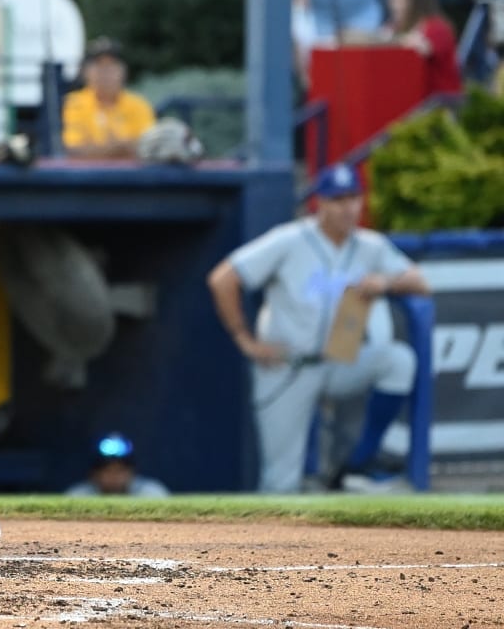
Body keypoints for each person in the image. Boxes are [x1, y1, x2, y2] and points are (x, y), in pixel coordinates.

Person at [207, 164, 430, 493]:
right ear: (320, 204)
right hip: (287, 365)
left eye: (353, 198)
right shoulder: (290, 239)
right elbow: (223, 278)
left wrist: (384, 281)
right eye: (338, 199)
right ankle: (268, 544)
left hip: (339, 362)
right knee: (280, 482)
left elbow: (421, 283)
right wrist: (245, 340)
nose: (348, 208)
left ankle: (360, 460)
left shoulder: (370, 246)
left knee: (398, 361)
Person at [60, 38, 157, 160]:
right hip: (87, 176)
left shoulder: (139, 104)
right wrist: (122, 147)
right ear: (85, 72)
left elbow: (151, 148)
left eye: (112, 65)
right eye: (98, 65)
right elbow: (72, 149)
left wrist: (103, 148)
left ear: (123, 71)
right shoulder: (72, 103)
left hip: (133, 177)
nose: (105, 72)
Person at [386, 0, 464, 97]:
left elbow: (424, 49)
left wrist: (399, 42)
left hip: (440, 102)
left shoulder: (437, 28)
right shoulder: (394, 28)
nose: (393, 4)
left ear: (414, 2)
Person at [64, 432, 170, 498]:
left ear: (132, 472)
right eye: (107, 470)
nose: (114, 476)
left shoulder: (150, 493)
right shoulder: (78, 496)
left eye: (120, 470)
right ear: (94, 474)